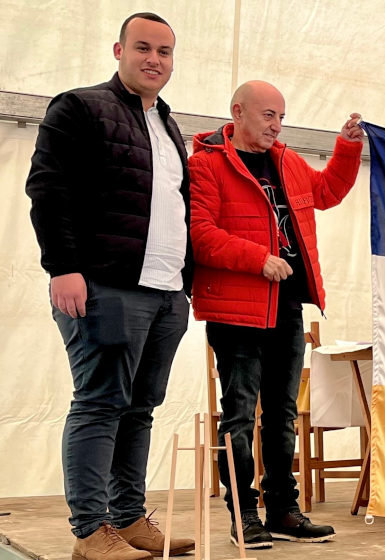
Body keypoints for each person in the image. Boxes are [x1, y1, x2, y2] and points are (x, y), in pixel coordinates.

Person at [24, 12, 196, 560]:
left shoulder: (168, 124)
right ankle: (89, 531)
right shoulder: (78, 106)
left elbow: (175, 207)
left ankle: (127, 519)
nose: (155, 60)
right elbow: (49, 188)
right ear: (118, 50)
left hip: (165, 291)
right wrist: (63, 267)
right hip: (105, 284)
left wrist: (184, 287)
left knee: (140, 408)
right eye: (143, 48)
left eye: (165, 52)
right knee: (99, 403)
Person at [188, 80, 363, 548]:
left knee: (282, 414)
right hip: (235, 310)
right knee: (240, 415)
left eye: (281, 117)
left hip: (286, 304)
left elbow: (326, 192)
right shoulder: (206, 164)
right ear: (238, 112)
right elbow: (199, 234)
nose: (276, 126)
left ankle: (283, 509)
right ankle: (243, 512)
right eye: (268, 116)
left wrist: (346, 148)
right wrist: (257, 257)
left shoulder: (287, 160)